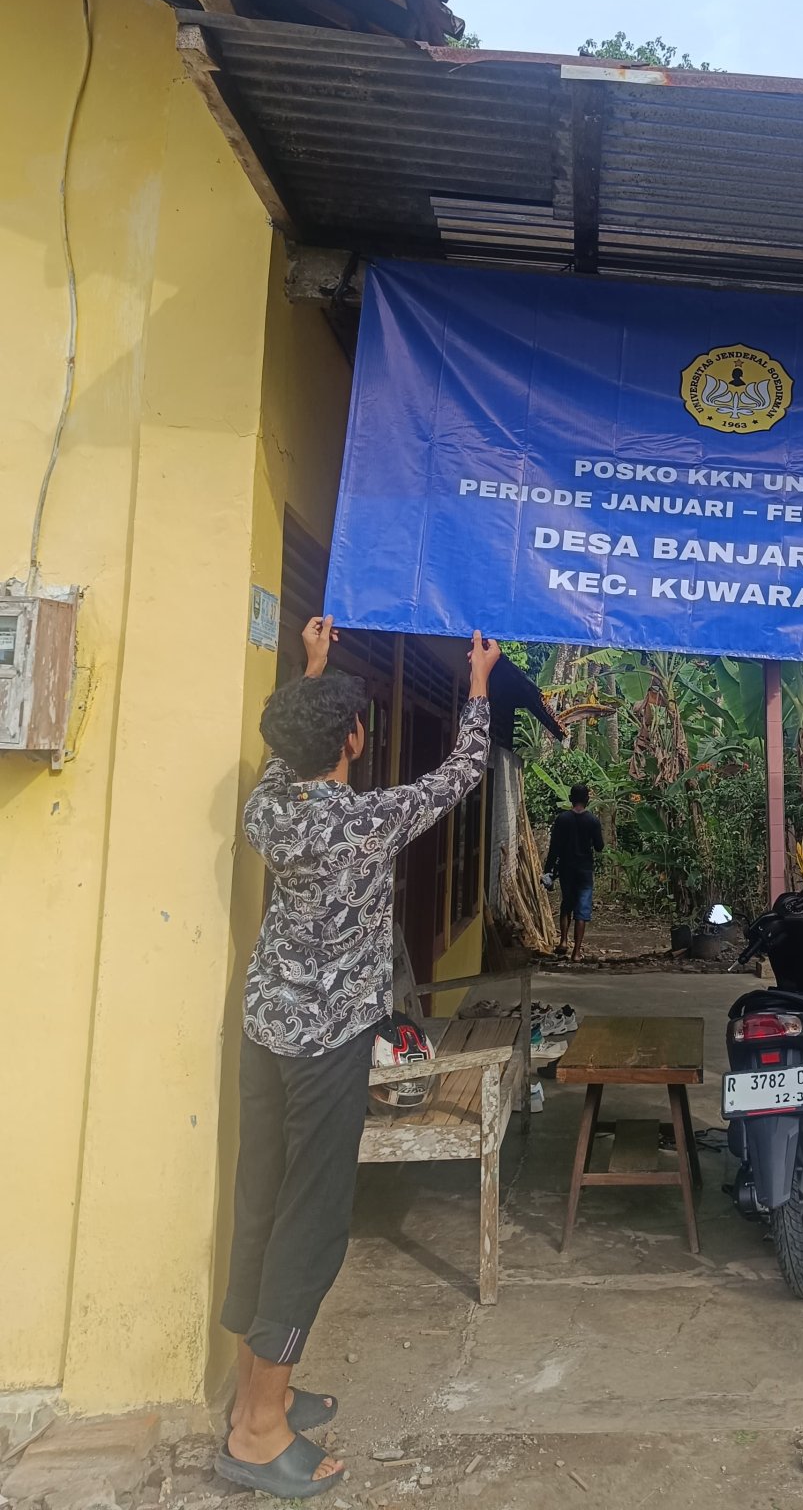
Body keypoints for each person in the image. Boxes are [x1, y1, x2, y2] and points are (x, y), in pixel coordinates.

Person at [218, 614, 500, 1499]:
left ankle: (257, 1396)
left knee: (261, 1202)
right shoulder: (368, 821)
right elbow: (460, 775)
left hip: (265, 1034)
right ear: (353, 739)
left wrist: (312, 668)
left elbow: (286, 754)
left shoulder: (268, 807)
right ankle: (258, 1434)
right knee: (312, 1224)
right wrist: (480, 686)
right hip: (331, 1043)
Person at [544, 782, 604, 961]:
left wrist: (548, 871)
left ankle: (563, 941)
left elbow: (554, 847)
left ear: (571, 799)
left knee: (566, 904)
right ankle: (576, 953)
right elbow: (599, 847)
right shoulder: (593, 821)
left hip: (566, 869)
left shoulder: (562, 819)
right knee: (582, 910)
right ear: (587, 799)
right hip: (584, 870)